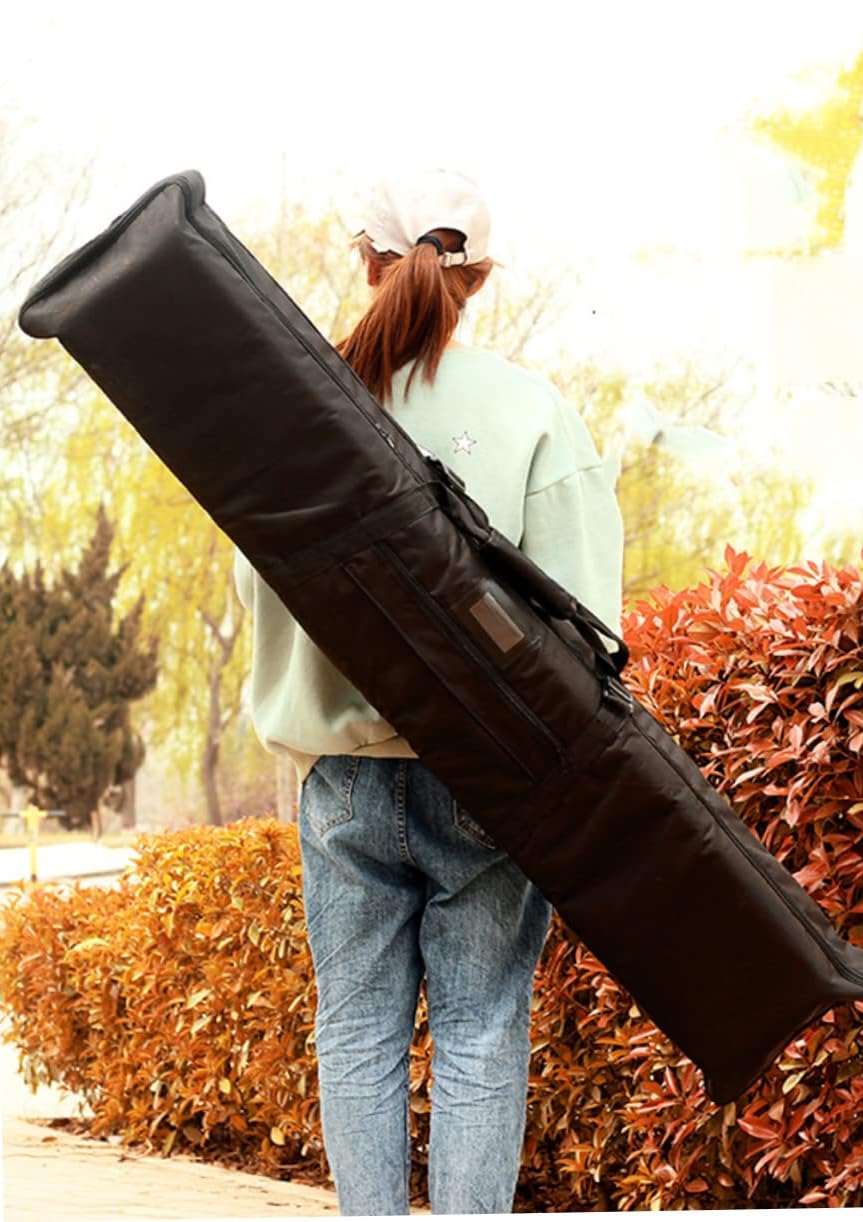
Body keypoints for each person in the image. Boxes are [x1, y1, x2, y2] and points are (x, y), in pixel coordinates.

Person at [231, 167, 624, 1216]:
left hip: (345, 775)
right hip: (491, 778)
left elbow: (262, 587)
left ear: (368, 264)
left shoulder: (299, 412)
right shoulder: (535, 413)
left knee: (356, 1027)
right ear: (478, 279)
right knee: (482, 1028)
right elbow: (589, 625)